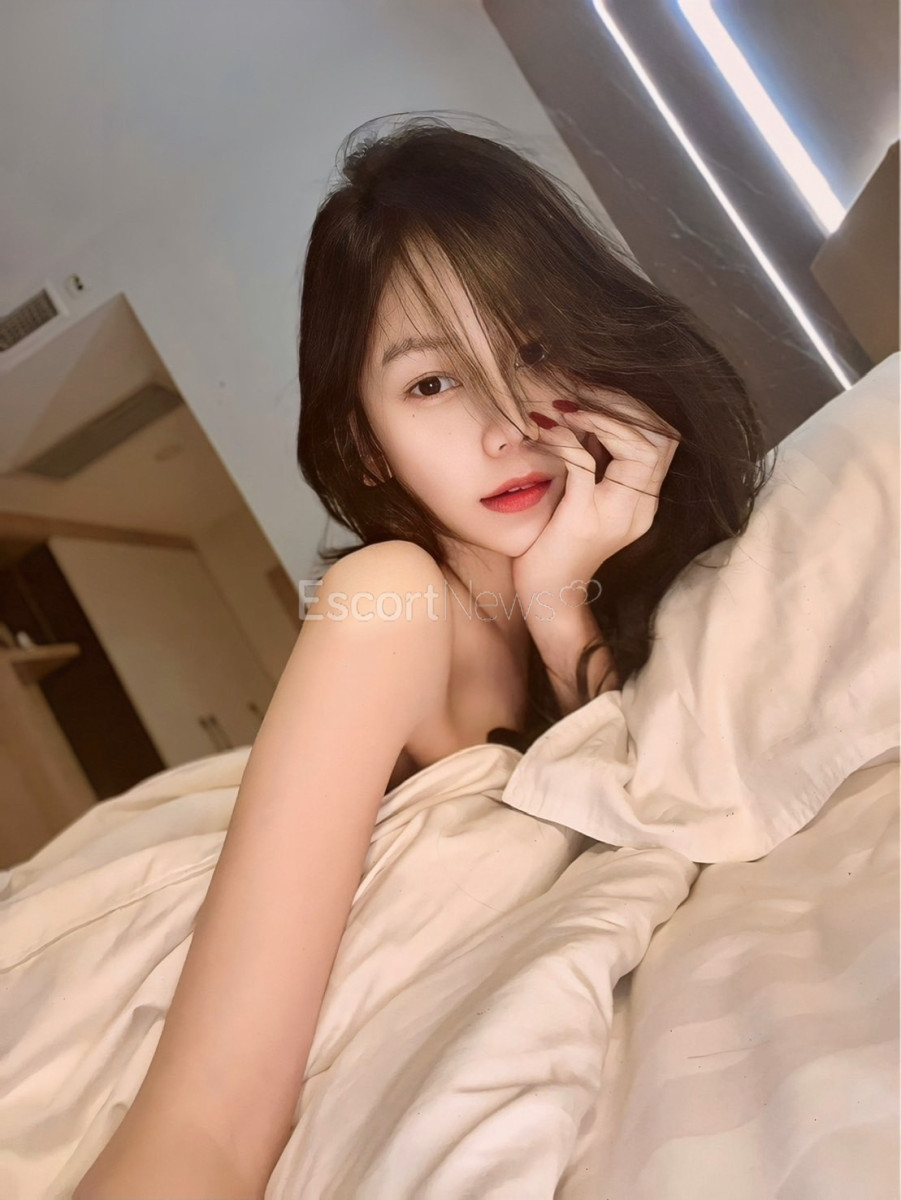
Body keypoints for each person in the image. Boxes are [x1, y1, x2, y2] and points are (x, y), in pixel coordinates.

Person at [73, 113, 770, 1198]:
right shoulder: (386, 600)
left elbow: (661, 799)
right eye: (431, 384)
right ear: (365, 442)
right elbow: (206, 1114)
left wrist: (556, 601)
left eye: (531, 351)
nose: (506, 426)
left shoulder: (625, 578)